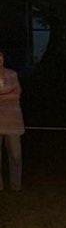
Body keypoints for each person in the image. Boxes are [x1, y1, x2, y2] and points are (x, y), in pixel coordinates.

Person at [0, 48, 24, 192]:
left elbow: (17, 94)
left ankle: (16, 186)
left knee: (15, 155)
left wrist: (2, 97)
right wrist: (8, 95)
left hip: (13, 121)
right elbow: (12, 93)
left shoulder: (12, 74)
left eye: (0, 56)